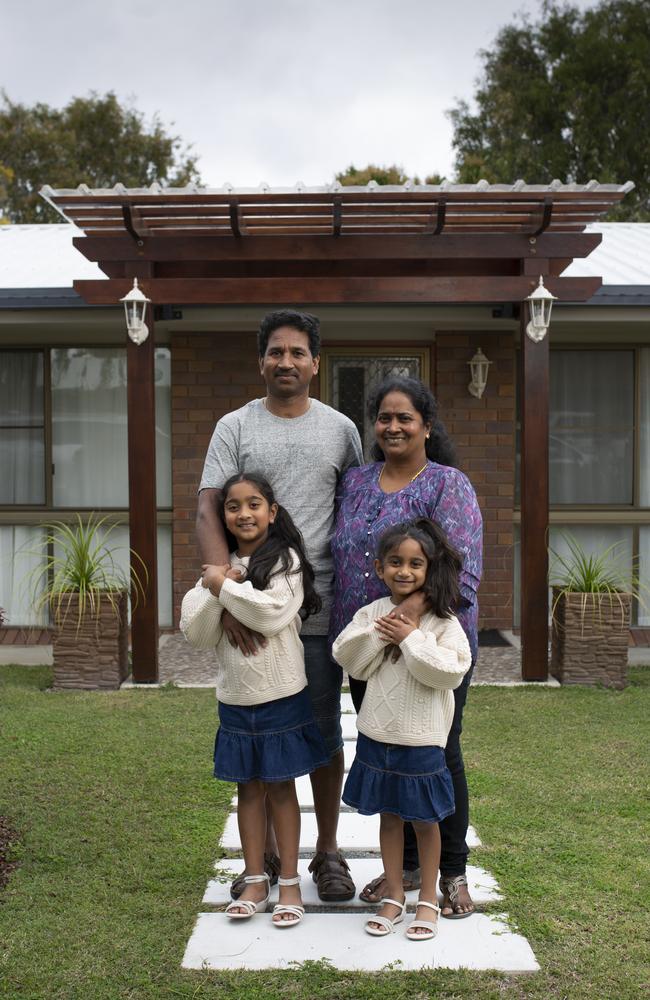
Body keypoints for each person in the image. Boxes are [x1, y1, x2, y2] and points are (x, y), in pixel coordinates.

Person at [196, 310, 363, 902]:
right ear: (260, 360)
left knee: (320, 732)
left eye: (297, 352)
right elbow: (208, 508)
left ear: (316, 362)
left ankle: (328, 852)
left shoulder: (342, 429)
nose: (285, 362)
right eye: (275, 352)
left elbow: (355, 511)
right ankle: (262, 857)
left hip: (318, 608)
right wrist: (233, 597)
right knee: (260, 735)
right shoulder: (234, 426)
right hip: (250, 607)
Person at [330, 375, 482, 919]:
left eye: (405, 418)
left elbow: (460, 570)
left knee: (439, 753)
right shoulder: (355, 481)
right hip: (368, 645)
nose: (393, 426)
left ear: (426, 425)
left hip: (432, 641)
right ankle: (407, 871)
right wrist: (376, 633)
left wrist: (406, 622)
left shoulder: (448, 484)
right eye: (384, 417)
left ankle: (454, 872)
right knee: (393, 754)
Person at [181, 473, 329, 927]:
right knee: (248, 789)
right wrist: (218, 591)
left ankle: (288, 882)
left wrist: (225, 588)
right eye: (233, 506)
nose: (244, 513)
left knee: (282, 788)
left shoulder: (285, 561)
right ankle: (255, 879)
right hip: (236, 698)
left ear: (272, 512)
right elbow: (196, 632)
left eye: (254, 504)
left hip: (281, 693)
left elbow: (271, 614)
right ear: (223, 515)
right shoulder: (217, 569)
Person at [333, 518, 471, 939]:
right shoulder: (372, 613)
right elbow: (349, 658)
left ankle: (427, 898)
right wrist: (383, 635)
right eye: (395, 562)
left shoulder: (443, 623)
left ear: (429, 572)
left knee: (425, 822)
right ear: (379, 568)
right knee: (389, 820)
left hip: (421, 743)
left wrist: (411, 638)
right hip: (378, 739)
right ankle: (395, 895)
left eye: (415, 564)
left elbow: (450, 672)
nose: (405, 571)